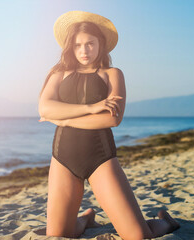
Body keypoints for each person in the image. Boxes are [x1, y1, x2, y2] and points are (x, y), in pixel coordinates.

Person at [38, 11, 180, 239]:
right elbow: (45, 108)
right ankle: (86, 218)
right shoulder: (58, 74)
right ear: (70, 48)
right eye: (77, 45)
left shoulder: (112, 74)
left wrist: (63, 119)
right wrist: (91, 107)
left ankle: (165, 222)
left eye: (90, 44)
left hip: (100, 159)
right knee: (58, 235)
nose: (84, 51)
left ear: (100, 45)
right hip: (62, 159)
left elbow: (112, 119)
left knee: (138, 236)